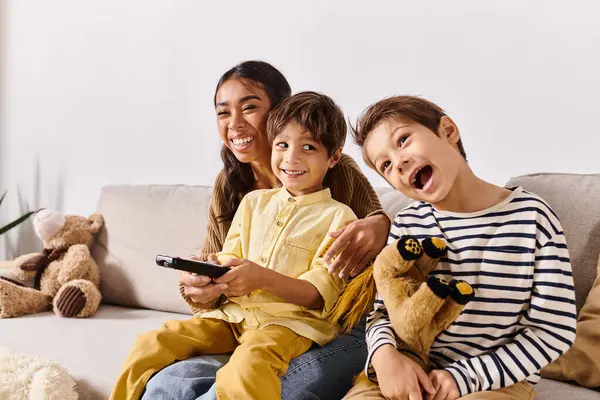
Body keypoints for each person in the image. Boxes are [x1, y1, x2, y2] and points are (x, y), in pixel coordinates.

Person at [143, 61, 391, 400]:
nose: (235, 124)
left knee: (268, 386)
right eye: (223, 112)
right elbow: (219, 263)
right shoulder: (233, 187)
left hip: (334, 325)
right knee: (166, 384)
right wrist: (199, 288)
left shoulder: (337, 176)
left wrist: (382, 222)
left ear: (279, 111)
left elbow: (377, 242)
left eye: (249, 108)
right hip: (248, 323)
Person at [343, 96, 577, 400]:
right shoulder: (408, 223)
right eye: (385, 164)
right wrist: (385, 358)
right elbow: (383, 312)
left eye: (403, 140)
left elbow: (553, 330)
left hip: (493, 383)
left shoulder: (532, 217)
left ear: (448, 130)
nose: (397, 162)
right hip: (410, 369)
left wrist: (464, 378)